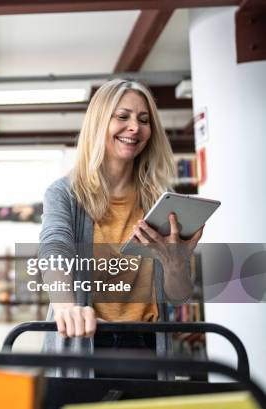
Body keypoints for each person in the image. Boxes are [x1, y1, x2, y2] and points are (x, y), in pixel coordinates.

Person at [39, 79, 203, 354]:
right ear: (99, 122)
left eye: (144, 119)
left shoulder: (160, 201)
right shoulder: (64, 193)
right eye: (122, 117)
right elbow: (54, 249)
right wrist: (67, 307)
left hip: (148, 344)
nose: (134, 127)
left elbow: (178, 295)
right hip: (85, 342)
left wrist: (175, 262)